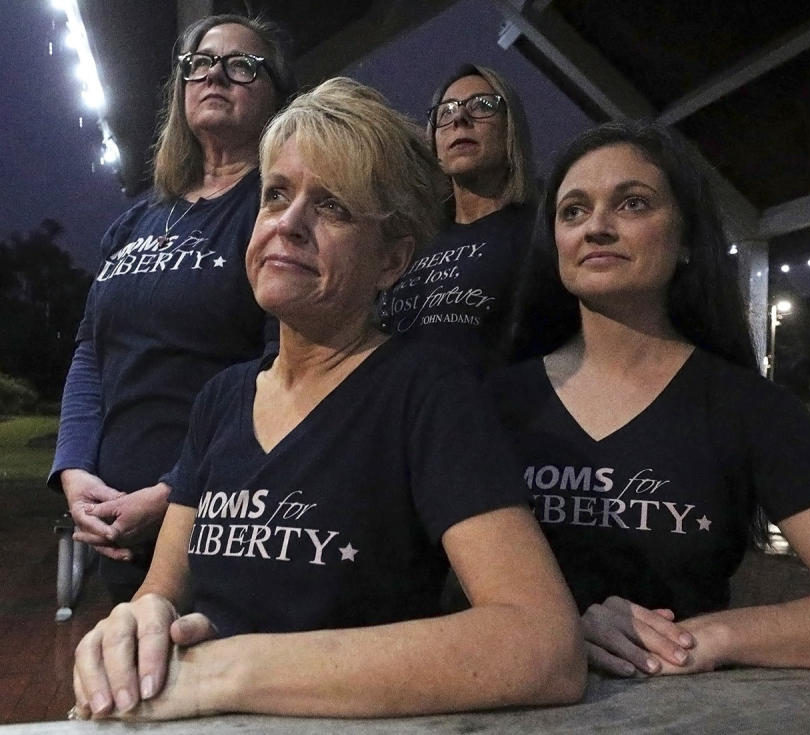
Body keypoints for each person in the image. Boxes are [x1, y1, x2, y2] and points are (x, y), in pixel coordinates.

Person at [70, 78, 585, 721]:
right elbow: (160, 593)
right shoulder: (221, 398)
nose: (289, 224)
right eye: (277, 195)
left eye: (334, 207)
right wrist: (136, 622)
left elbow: (542, 645)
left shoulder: (425, 393)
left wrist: (232, 670)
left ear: (392, 259)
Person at [487, 121, 810, 677]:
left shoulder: (749, 409)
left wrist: (704, 634)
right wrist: (560, 631)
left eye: (632, 203)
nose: (597, 227)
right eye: (573, 211)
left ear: (686, 239)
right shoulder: (491, 403)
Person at [49, 14, 296, 602]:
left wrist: (170, 492)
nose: (216, 75)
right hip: (114, 519)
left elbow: (279, 369)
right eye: (200, 63)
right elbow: (92, 353)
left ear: (275, 97)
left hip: (220, 516)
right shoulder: (135, 220)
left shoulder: (275, 213)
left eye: (241, 65)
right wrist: (75, 471)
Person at [384, 64, 537, 370]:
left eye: (482, 106)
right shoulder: (411, 240)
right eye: (445, 112)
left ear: (511, 127)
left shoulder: (539, 230)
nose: (459, 118)